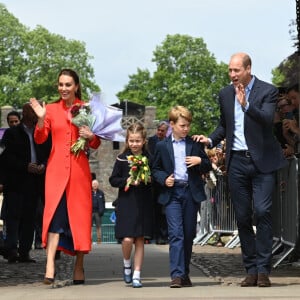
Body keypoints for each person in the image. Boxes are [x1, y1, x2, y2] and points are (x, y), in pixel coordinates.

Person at [194, 53, 287, 287]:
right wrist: (210, 140)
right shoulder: (225, 94)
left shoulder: (268, 91)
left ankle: (264, 269)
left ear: (248, 69)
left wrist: (247, 105)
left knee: (263, 211)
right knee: (243, 216)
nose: (232, 75)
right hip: (236, 163)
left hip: (262, 162)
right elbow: (224, 126)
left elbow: (267, 119)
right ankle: (252, 268)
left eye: (236, 70)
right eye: (230, 71)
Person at [29, 68, 101, 285]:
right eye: (60, 84)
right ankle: (49, 266)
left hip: (79, 173)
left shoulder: (87, 108)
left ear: (76, 86)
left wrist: (91, 136)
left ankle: (79, 266)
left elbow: (97, 142)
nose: (63, 88)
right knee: (53, 218)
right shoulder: (49, 109)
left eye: (68, 84)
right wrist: (41, 120)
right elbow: (40, 139)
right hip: (56, 172)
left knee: (79, 220)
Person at [152, 106, 211, 288]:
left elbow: (208, 165)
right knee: (176, 234)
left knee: (188, 234)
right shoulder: (162, 146)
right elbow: (156, 169)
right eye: (182, 125)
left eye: (188, 125)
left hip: (190, 192)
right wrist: (164, 179)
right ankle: (176, 275)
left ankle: (184, 272)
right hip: (173, 194)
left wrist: (200, 161)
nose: (186, 129)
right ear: (172, 124)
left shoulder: (194, 144)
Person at [0, 103, 48, 263]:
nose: (34, 115)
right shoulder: (12, 133)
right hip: (16, 183)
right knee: (13, 217)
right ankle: (12, 249)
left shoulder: (41, 133)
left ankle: (24, 251)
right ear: (25, 114)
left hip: (34, 183)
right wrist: (25, 166)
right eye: (31, 112)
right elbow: (6, 159)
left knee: (30, 217)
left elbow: (47, 152)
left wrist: (43, 165)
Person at [109, 122, 153, 288]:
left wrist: (149, 179)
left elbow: (155, 176)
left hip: (143, 203)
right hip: (127, 202)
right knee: (127, 239)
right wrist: (126, 181)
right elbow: (113, 180)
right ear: (127, 141)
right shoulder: (121, 159)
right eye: (132, 141)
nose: (135, 144)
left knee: (140, 240)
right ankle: (127, 263)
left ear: (144, 141)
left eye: (138, 141)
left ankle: (137, 274)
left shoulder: (148, 158)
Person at [148, 120, 169, 245]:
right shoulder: (152, 141)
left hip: (164, 178)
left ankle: (164, 235)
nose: (160, 132)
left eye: (162, 131)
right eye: (159, 130)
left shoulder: (168, 142)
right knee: (155, 208)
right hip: (154, 179)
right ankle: (156, 235)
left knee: (164, 209)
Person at [91, 179, 105, 244]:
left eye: (96, 184)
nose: (95, 185)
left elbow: (103, 202)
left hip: (98, 213)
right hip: (90, 212)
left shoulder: (101, 193)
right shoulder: (89, 192)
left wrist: (102, 211)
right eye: (94, 184)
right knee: (89, 227)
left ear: (98, 185)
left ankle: (99, 241)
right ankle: (89, 240)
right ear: (91, 185)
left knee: (98, 227)